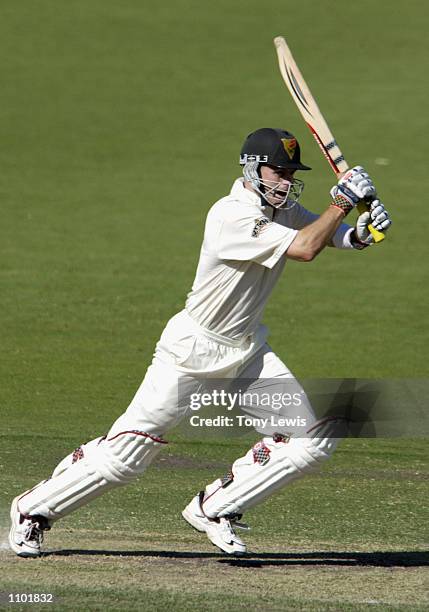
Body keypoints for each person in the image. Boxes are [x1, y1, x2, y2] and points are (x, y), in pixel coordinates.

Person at [9, 127, 392, 557]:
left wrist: (361, 234)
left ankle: (216, 508)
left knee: (311, 439)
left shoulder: (280, 208)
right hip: (191, 353)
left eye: (290, 173)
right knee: (127, 455)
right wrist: (341, 201)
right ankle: (32, 510)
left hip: (246, 351)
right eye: (278, 172)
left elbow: (324, 237)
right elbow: (305, 248)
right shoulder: (232, 214)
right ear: (251, 169)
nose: (285, 181)